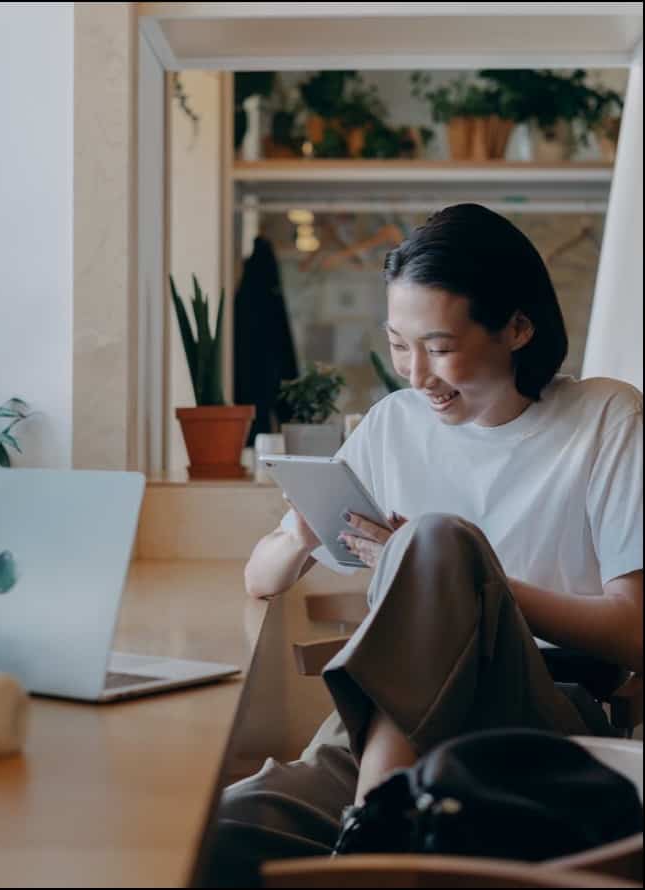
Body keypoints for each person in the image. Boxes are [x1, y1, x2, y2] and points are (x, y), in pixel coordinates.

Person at [203, 203, 643, 888]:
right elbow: (260, 580)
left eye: (437, 348)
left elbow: (633, 630)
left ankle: (376, 824)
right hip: (386, 711)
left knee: (436, 538)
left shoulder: (604, 418)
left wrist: (464, 580)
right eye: (399, 344)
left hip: (532, 720)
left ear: (517, 328)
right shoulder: (391, 425)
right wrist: (299, 531)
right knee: (219, 833)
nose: (414, 374)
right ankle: (380, 818)